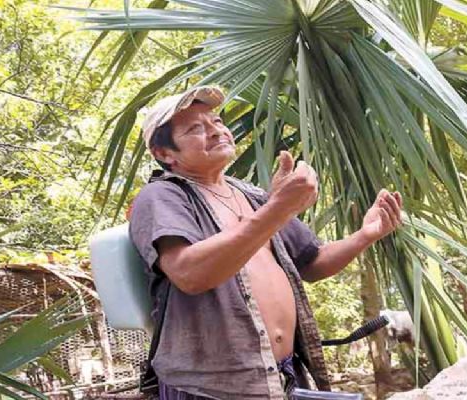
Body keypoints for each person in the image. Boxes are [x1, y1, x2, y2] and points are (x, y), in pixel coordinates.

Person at [128, 86, 403, 399]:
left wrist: (366, 234)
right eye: (196, 128)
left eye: (217, 122)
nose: (216, 131)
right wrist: (280, 207)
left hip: (281, 375)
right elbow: (190, 273)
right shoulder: (162, 196)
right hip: (210, 388)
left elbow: (313, 262)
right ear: (165, 154)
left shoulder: (251, 195)